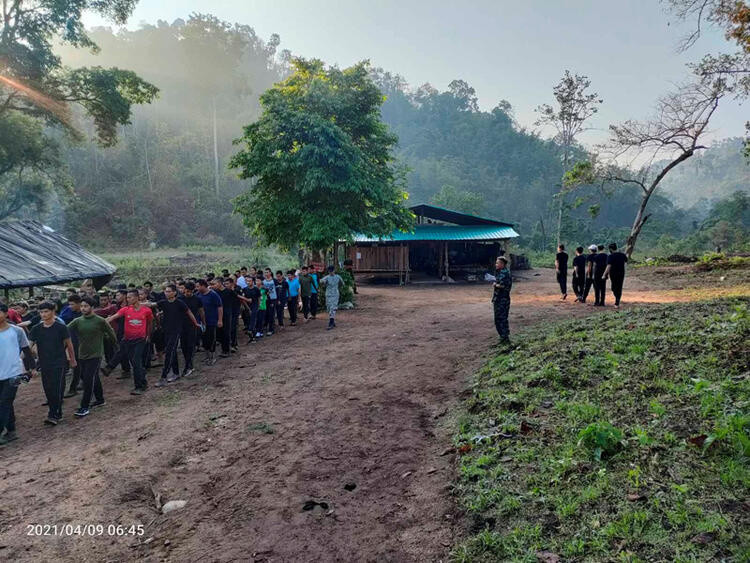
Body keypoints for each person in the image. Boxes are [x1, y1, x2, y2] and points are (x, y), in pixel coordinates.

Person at [67, 297, 116, 416]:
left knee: (88, 380)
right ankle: (100, 400)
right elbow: (64, 329)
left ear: (92, 307)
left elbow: (111, 333)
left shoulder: (100, 321)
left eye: (86, 306)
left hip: (96, 354)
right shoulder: (77, 321)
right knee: (90, 377)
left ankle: (84, 407)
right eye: (82, 306)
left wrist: (116, 345)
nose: (83, 308)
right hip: (82, 354)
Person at [29, 301, 76, 425]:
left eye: (46, 311)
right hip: (44, 363)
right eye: (41, 312)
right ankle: (55, 411)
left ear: (53, 312)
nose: (43, 314)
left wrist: (72, 360)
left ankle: (53, 414)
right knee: (48, 388)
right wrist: (30, 364)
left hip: (59, 362)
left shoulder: (61, 327)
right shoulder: (36, 329)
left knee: (58, 387)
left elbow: (69, 345)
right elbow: (29, 347)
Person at [105, 290, 154, 395]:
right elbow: (114, 317)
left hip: (140, 340)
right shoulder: (126, 309)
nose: (128, 299)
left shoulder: (146, 310)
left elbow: (150, 323)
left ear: (137, 298)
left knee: (136, 362)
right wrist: (105, 321)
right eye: (127, 297)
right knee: (133, 361)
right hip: (127, 339)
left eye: (130, 297)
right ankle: (143, 382)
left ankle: (139, 386)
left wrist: (148, 335)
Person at [0, 303, 35, 445]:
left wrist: (32, 368)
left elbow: (26, 350)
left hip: (14, 372)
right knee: (5, 403)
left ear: (6, 314)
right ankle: (11, 430)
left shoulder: (16, 331)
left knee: (4, 402)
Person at [154, 284, 199, 386]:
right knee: (172, 352)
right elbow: (152, 304)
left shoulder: (179, 303)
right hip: (166, 330)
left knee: (170, 352)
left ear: (174, 292)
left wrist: (195, 323)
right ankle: (175, 373)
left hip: (176, 331)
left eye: (169, 291)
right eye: (166, 291)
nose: (167, 293)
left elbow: (189, 312)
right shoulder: (163, 303)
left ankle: (163, 377)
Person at [178, 281, 204, 377]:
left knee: (191, 345)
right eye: (186, 291)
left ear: (193, 291)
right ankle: (188, 363)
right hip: (182, 325)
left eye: (189, 291)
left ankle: (189, 365)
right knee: (184, 345)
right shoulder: (180, 299)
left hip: (193, 324)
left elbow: (201, 312)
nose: (187, 293)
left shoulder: (197, 299)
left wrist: (203, 323)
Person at [196, 279, 223, 366]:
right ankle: (207, 356)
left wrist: (220, 320)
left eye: (198, 286)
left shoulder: (213, 295)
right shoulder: (198, 295)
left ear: (203, 285)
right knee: (204, 339)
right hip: (201, 321)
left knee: (211, 338)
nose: (197, 288)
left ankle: (212, 356)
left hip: (211, 320)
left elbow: (219, 307)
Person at [61, 294, 83, 398]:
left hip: (81, 341)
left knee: (78, 364)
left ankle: (74, 387)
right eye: (69, 304)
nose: (70, 306)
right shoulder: (67, 311)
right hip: (69, 339)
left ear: (79, 303)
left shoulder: (84, 313)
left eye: (72, 304)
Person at [492, 256, 512, 344]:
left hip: (503, 299)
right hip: (498, 298)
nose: (496, 264)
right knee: (497, 319)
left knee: (502, 319)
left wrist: (496, 285)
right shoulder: (500, 272)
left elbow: (504, 286)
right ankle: (502, 338)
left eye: (497, 263)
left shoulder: (505, 273)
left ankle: (505, 338)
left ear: (502, 264)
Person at [604, 242, 628, 308]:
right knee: (619, 287)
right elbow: (626, 261)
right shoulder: (622, 255)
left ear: (610, 249)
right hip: (621, 273)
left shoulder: (610, 256)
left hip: (613, 274)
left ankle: (617, 301)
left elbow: (608, 266)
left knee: (614, 287)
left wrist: (604, 274)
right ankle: (617, 300)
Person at [320, 266, 344, 330]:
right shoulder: (327, 277)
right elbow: (321, 282)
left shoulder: (338, 277)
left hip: (335, 294)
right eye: (330, 271)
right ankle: (332, 321)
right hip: (328, 295)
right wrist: (323, 283)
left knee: (333, 308)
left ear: (334, 270)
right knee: (329, 308)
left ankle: (331, 322)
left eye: (332, 271)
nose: (331, 272)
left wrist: (337, 288)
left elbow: (342, 284)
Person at [262, 268, 277, 335]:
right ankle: (265, 326)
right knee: (266, 313)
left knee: (271, 314)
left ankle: (271, 329)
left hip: (273, 299)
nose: (266, 273)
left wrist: (278, 299)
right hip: (265, 299)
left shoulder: (274, 280)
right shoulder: (263, 281)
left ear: (270, 273)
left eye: (267, 272)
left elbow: (278, 289)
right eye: (265, 272)